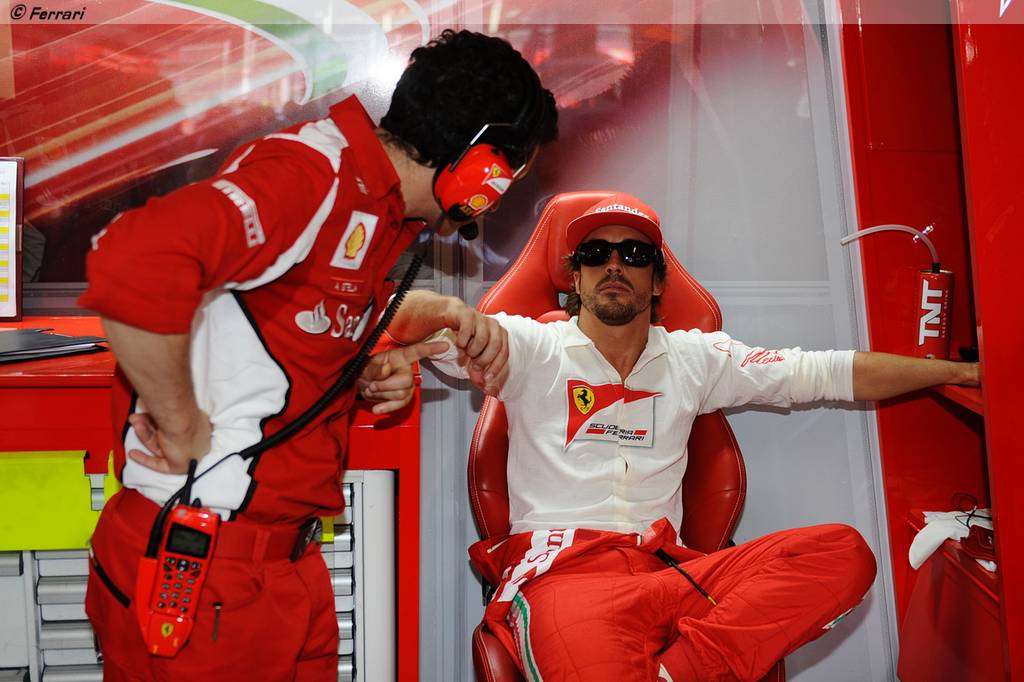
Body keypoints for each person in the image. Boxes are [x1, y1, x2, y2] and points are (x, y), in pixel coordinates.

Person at [78, 30, 557, 681]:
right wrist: (177, 418)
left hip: (284, 566)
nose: (501, 195)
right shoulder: (310, 176)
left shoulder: (378, 208)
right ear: (480, 164)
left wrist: (375, 361)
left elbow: (287, 316)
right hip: (204, 561)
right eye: (509, 174)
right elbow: (132, 261)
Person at [385, 192, 980, 682]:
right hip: (564, 579)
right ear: (576, 279)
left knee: (842, 552)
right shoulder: (527, 346)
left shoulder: (697, 359)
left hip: (672, 574)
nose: (613, 265)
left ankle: (681, 671)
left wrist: (960, 373)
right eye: (595, 253)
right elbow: (396, 315)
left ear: (656, 281)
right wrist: (450, 311)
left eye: (634, 254)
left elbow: (828, 371)